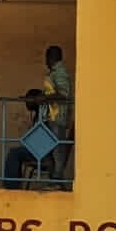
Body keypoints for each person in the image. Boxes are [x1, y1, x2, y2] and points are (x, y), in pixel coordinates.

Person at [42, 44, 73, 181]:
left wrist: (43, 98)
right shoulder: (54, 73)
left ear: (51, 57)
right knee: (50, 149)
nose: (46, 61)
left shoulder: (60, 73)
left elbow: (63, 94)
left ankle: (57, 180)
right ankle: (54, 178)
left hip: (58, 117)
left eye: (47, 57)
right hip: (52, 116)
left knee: (57, 150)